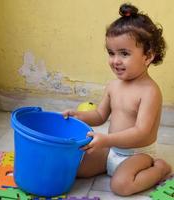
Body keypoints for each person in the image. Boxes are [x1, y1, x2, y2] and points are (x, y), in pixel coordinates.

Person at [62, 3, 172, 196]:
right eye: (111, 53)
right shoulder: (113, 86)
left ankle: (160, 169)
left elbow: (141, 132)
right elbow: (99, 115)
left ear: (148, 56)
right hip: (112, 149)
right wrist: (78, 116)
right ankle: (108, 164)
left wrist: (106, 140)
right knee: (77, 168)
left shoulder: (150, 92)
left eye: (124, 53)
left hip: (138, 154)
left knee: (120, 186)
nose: (116, 60)